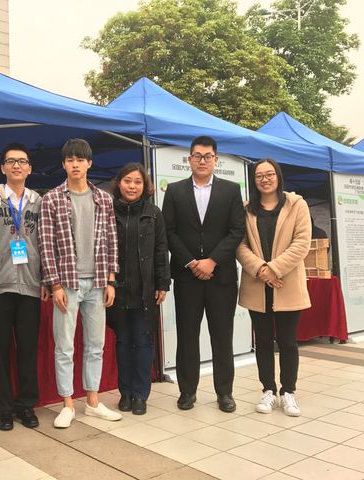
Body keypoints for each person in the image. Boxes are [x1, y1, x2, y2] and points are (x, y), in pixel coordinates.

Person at [39, 138, 122, 428]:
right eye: (70, 159)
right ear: (64, 164)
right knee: (64, 346)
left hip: (98, 282)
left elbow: (112, 240)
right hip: (67, 284)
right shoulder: (52, 199)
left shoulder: (104, 199)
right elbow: (46, 244)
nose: (75, 164)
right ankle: (67, 404)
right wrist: (55, 285)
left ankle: (93, 402)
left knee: (96, 345)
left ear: (89, 163)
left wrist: (111, 280)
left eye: (80, 159)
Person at [162, 135, 245, 413]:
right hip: (187, 278)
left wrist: (212, 261)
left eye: (207, 156)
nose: (202, 161)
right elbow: (169, 231)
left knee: (222, 336)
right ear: (189, 159)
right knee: (187, 336)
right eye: (197, 156)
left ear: (215, 160)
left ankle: (225, 392)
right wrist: (191, 262)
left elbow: (236, 231)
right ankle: (187, 391)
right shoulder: (174, 191)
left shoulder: (231, 190)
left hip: (221, 278)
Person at [0, 143, 48, 431]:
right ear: (3, 167)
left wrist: (45, 279)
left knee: (28, 350)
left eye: (22, 161)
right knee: (0, 350)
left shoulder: (39, 202)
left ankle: (25, 405)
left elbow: (46, 243)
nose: (17, 166)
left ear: (30, 168)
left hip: (30, 285)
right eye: (11, 161)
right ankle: (3, 409)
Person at [236, 158, 311, 417]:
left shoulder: (296, 205)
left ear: (278, 176)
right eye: (259, 176)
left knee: (288, 341)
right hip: (257, 285)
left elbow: (302, 242)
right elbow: (239, 244)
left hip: (286, 282)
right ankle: (268, 389)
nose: (265, 179)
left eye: (269, 174)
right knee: (264, 341)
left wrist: (274, 269)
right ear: (253, 180)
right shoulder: (246, 209)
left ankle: (288, 391)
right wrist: (260, 269)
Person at [107, 163, 170, 415]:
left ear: (145, 186)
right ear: (118, 183)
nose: (132, 186)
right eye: (127, 181)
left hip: (146, 289)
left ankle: (141, 395)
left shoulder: (153, 213)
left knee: (143, 342)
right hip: (117, 289)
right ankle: (125, 393)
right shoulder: (108, 211)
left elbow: (161, 249)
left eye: (137, 182)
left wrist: (163, 283)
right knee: (123, 342)